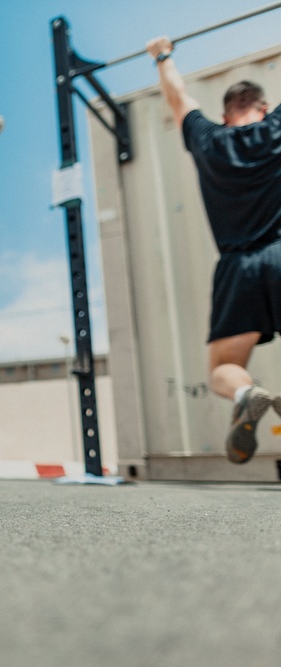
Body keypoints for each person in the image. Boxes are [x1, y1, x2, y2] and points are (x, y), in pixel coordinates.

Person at [147, 36, 281, 464]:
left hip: (236, 266)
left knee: (223, 367)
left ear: (224, 117)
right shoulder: (275, 127)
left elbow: (177, 96)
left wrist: (162, 57)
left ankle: (247, 394)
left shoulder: (209, 140)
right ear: (262, 108)